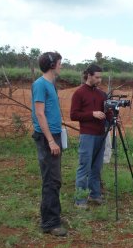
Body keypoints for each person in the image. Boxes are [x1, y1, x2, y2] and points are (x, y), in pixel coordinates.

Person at [31, 51, 67, 237]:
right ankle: (50, 223)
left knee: (56, 179)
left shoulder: (50, 84)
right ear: (53, 65)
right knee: (51, 180)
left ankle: (54, 214)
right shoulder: (40, 84)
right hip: (47, 138)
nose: (61, 66)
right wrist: (51, 140)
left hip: (53, 134)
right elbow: (39, 113)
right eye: (60, 63)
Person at [70, 63, 111, 209]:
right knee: (84, 167)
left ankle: (95, 195)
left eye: (101, 77)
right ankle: (80, 200)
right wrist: (92, 114)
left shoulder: (101, 94)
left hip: (101, 135)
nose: (100, 80)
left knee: (96, 167)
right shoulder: (79, 93)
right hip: (87, 135)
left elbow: (108, 113)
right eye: (97, 77)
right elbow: (73, 115)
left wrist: (113, 117)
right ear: (89, 76)